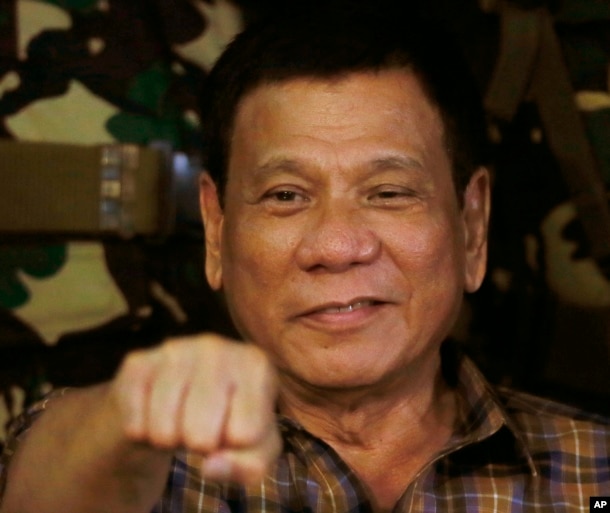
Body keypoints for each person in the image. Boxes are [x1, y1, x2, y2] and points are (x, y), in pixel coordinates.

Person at [1, 1, 609, 512]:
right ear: (216, 231)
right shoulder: (137, 464)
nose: (337, 247)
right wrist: (130, 415)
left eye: (389, 194)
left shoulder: (595, 475)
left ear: (472, 226)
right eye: (285, 196)